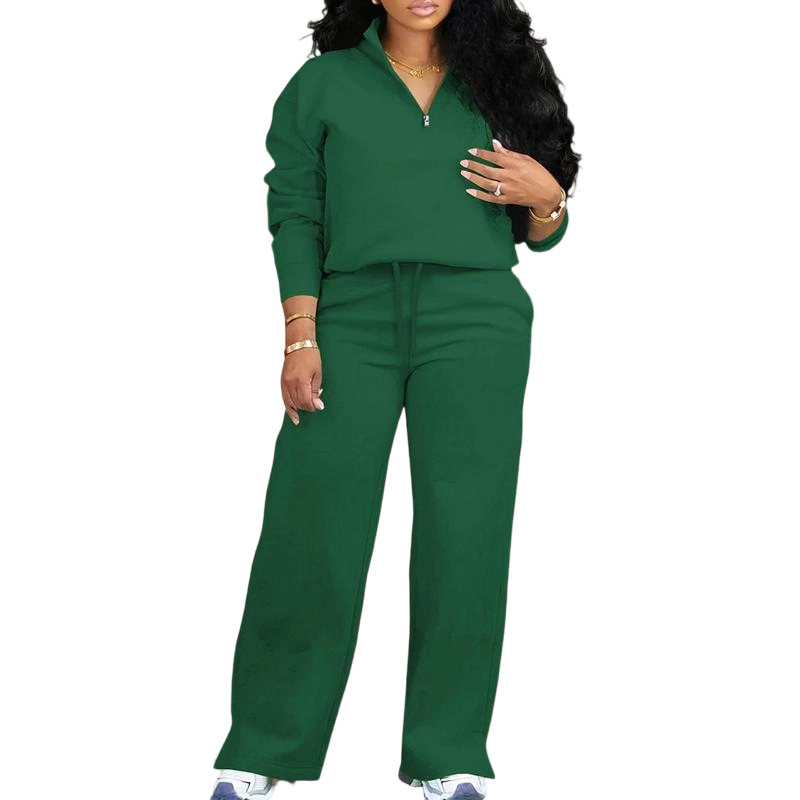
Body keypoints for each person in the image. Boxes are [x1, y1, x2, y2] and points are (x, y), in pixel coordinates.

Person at [211, 0, 580, 798]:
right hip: (349, 316)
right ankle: (265, 745)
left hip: (477, 316)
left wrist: (549, 197)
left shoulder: (504, 75)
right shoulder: (321, 84)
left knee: (467, 534)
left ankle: (449, 752)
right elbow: (293, 206)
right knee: (312, 525)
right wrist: (299, 332)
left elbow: (547, 232)